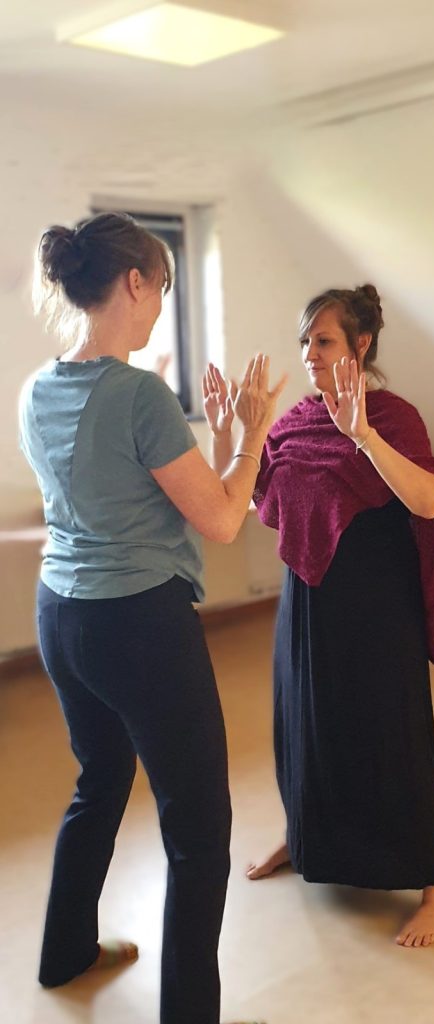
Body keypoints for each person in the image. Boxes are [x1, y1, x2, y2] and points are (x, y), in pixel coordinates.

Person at [18, 211, 284, 1024]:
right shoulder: (139, 394)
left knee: (99, 779)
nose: (161, 303)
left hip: (61, 615)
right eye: (162, 287)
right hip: (137, 627)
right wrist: (251, 434)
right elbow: (223, 520)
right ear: (134, 283)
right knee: (199, 830)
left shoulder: (37, 386)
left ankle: (65, 951)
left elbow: (114, 494)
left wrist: (222, 439)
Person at [214, 284, 434, 948]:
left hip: (377, 608)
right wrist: (233, 432)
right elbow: (253, 498)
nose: (309, 353)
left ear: (361, 344)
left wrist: (364, 436)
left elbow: (429, 500)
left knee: (388, 735)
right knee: (304, 725)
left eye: (322, 340)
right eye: (305, 341)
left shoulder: (394, 417)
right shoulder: (295, 420)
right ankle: (306, 839)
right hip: (306, 601)